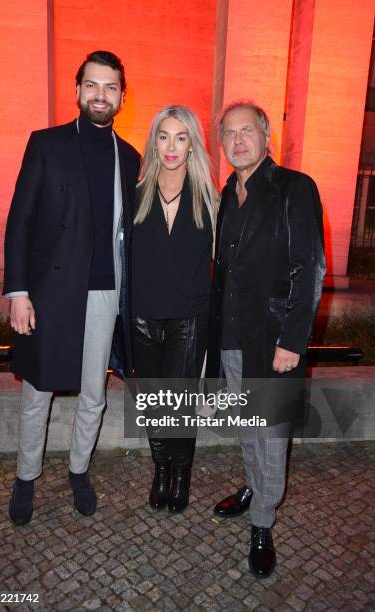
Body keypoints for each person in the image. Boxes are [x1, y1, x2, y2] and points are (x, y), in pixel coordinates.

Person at [4, 50, 140, 525]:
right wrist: (18, 292)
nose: (100, 95)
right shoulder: (46, 144)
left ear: (122, 96)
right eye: (92, 85)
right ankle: (26, 476)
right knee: (38, 390)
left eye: (110, 87)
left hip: (105, 292)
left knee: (93, 393)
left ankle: (79, 470)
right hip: (50, 291)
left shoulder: (132, 157)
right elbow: (20, 221)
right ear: (78, 89)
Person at [206, 100, 326, 577]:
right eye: (229, 134)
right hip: (232, 337)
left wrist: (292, 341)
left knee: (271, 435)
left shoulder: (295, 188)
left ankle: (262, 522)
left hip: (274, 340)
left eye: (246, 131)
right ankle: (254, 486)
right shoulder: (224, 195)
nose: (237, 140)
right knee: (247, 425)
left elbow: (309, 269)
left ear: (265, 135)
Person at [132, 105, 217, 513]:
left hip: (189, 318)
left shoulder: (210, 199)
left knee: (179, 401)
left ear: (192, 145)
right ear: (154, 142)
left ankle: (181, 471)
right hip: (143, 317)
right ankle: (161, 467)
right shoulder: (135, 196)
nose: (171, 146)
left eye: (180, 137)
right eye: (163, 136)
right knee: (152, 401)